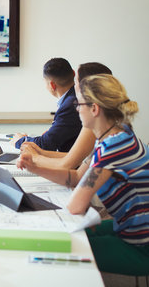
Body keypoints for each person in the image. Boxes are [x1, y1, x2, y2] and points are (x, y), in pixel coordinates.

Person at [18, 74, 149, 275]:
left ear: (94, 109)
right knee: (70, 237)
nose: (77, 110)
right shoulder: (117, 133)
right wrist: (35, 168)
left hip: (141, 246)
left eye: (79, 105)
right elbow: (77, 178)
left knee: (53, 248)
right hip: (131, 229)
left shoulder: (113, 146)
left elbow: (76, 206)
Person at [19, 62, 113, 170]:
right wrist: (39, 152)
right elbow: (74, 158)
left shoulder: (101, 130)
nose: (73, 86)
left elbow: (70, 166)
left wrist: (35, 158)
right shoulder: (109, 124)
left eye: (76, 82)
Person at [12, 57, 82, 152]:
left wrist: (21, 141)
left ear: (52, 85)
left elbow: (45, 144)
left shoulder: (70, 105)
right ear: (73, 73)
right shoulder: (73, 97)